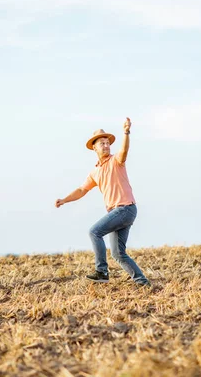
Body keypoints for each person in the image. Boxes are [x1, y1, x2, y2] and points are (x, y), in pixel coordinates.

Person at [55, 118, 150, 287]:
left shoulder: (116, 161)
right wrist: (64, 200)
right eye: (102, 143)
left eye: (108, 143)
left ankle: (102, 272)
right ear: (94, 147)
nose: (106, 146)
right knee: (118, 254)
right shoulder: (95, 171)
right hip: (117, 212)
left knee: (94, 232)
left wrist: (126, 133)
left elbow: (124, 151)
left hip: (125, 209)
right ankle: (142, 282)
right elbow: (82, 190)